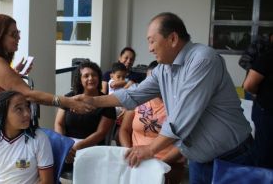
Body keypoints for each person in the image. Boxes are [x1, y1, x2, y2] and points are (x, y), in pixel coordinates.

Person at [76, 12, 254, 184]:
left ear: (173, 39)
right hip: (199, 159)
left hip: (232, 156)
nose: (149, 48)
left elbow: (182, 116)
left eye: (152, 41)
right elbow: (134, 94)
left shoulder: (203, 60)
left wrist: (150, 149)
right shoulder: (163, 69)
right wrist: (94, 101)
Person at [0, 14, 93, 184]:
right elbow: (27, 94)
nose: (18, 38)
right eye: (13, 34)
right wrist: (67, 102)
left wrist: (14, 74)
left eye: (17, 33)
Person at [119, 60, 185, 184]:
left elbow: (184, 143)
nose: (152, 84)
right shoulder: (137, 100)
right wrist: (129, 152)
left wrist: (159, 164)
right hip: (137, 161)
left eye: (157, 81)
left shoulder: (179, 104)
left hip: (168, 164)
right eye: (149, 80)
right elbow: (124, 129)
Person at [54, 61, 116, 173]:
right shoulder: (69, 98)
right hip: (67, 145)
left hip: (91, 147)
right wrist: (64, 145)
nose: (91, 78)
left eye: (94, 75)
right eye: (86, 76)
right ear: (80, 79)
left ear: (99, 77)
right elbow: (59, 123)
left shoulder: (107, 102)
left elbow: (100, 133)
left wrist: (75, 148)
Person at [0, 91, 53, 184]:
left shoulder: (39, 138)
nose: (27, 113)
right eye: (19, 109)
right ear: (3, 114)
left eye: (27, 106)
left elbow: (47, 181)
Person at [243, 45, 273, 169]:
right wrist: (259, 93)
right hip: (267, 112)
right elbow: (249, 85)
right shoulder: (268, 56)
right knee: (264, 154)